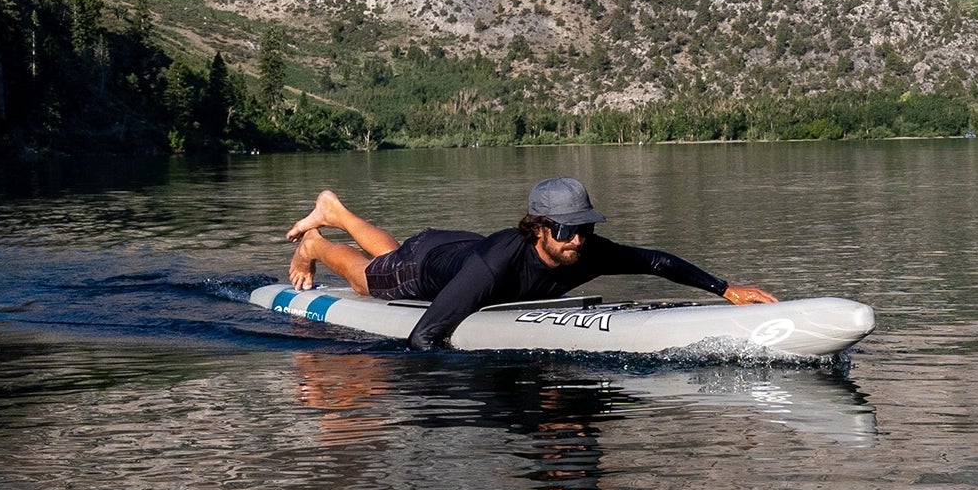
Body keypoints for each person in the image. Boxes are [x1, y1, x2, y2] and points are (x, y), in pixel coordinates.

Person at [285, 177, 778, 351]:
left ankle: (336, 211)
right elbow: (424, 336)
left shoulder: (585, 247)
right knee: (370, 277)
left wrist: (725, 289)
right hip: (429, 265)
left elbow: (655, 260)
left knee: (391, 251)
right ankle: (316, 241)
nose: (578, 241)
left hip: (455, 244)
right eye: (567, 229)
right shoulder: (493, 268)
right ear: (538, 227)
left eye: (585, 227)